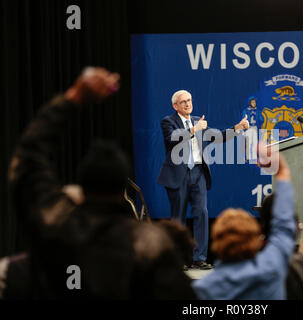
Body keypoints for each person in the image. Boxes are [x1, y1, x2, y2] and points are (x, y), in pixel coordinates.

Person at [6, 67, 196, 299]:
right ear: (122, 189)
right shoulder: (147, 245)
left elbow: (28, 159)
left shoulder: (55, 225)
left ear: (82, 187)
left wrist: (74, 97)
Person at [157, 90, 249, 270]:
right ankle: (180, 259)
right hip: (179, 174)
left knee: (202, 213)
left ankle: (199, 257)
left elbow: (217, 137)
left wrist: (237, 127)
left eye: (189, 100)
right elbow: (172, 139)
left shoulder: (197, 120)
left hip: (198, 173)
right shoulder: (168, 121)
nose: (187, 104)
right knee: (179, 217)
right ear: (175, 106)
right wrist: (193, 130)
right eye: (183, 102)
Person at [192, 144, 296, 299]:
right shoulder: (272, 266)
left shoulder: (202, 290)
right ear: (255, 239)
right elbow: (284, 227)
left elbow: (284, 229)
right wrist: (282, 172)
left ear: (217, 243)